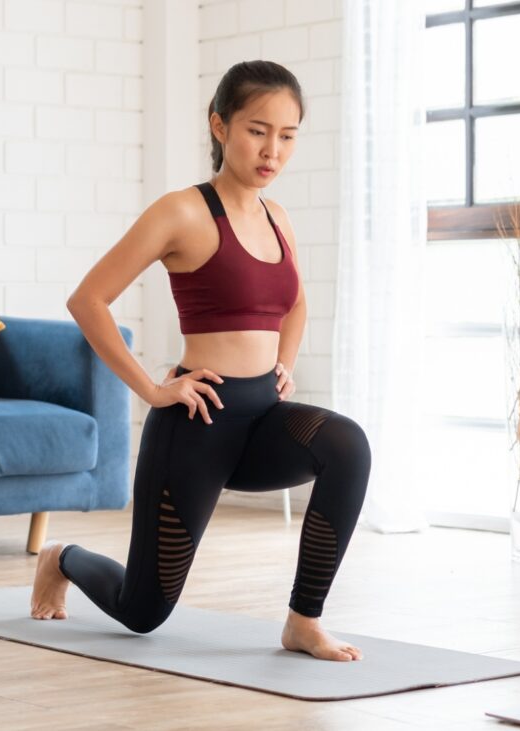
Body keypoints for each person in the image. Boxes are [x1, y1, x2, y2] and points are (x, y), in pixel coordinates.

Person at [30, 60, 372, 662]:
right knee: (142, 613)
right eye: (257, 130)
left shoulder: (277, 216)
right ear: (220, 125)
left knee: (348, 445)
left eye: (288, 135)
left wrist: (284, 363)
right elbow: (88, 300)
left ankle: (303, 621)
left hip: (264, 415)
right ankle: (63, 558)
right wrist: (153, 391)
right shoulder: (182, 211)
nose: (272, 149)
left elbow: (295, 303)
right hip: (200, 421)